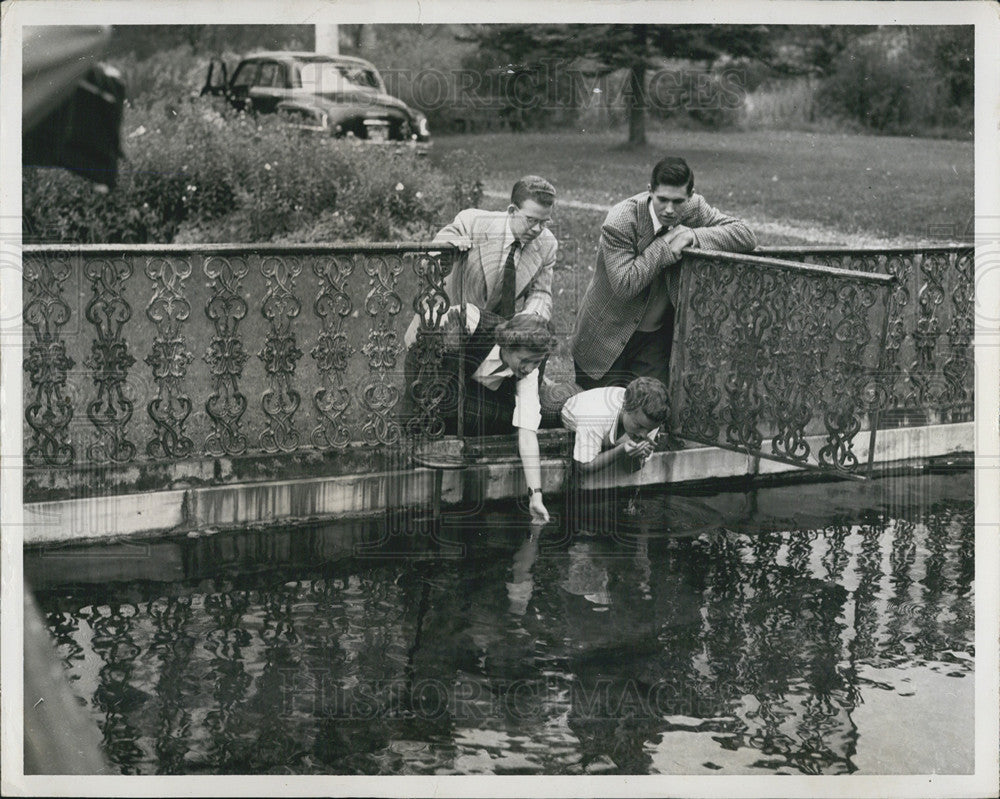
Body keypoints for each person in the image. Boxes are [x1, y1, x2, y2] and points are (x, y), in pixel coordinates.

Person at [571, 156, 757, 391]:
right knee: (605, 416)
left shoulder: (695, 208)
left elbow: (746, 235)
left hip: (655, 339)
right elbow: (625, 284)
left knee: (650, 414)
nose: (669, 210)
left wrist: (693, 236)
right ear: (650, 191)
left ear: (690, 196)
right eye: (662, 200)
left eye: (678, 201)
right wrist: (666, 246)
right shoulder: (621, 220)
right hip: (604, 337)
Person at [413, 308, 557, 524]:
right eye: (526, 360)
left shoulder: (530, 371)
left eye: (536, 362)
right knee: (438, 398)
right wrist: (446, 346)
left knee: (512, 420)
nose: (529, 368)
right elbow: (416, 346)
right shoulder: (471, 320)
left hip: (472, 397)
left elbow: (527, 432)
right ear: (508, 345)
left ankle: (442, 415)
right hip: (436, 377)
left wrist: (536, 496)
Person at [404, 175, 557, 350]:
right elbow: (429, 259)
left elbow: (541, 293)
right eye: (531, 220)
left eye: (544, 222)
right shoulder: (472, 222)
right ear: (512, 211)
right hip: (443, 324)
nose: (538, 229)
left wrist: (529, 319)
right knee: (428, 375)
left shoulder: (547, 244)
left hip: (492, 338)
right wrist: (448, 248)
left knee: (538, 342)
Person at [560, 376, 669, 478]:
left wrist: (636, 455)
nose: (644, 435)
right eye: (638, 426)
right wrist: (621, 450)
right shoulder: (595, 416)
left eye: (649, 430)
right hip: (568, 405)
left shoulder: (649, 419)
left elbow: (630, 469)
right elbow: (582, 466)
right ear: (625, 407)